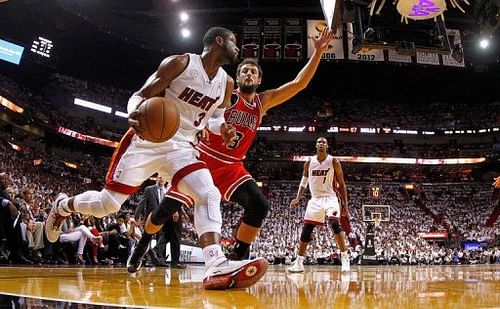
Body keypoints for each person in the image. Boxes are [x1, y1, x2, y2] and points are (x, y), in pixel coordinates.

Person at [45, 26, 268, 290]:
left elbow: (216, 117)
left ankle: (215, 264)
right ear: (219, 41)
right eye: (234, 42)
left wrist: (224, 128)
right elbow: (141, 95)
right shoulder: (181, 63)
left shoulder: (226, 83)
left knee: (208, 192)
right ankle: (63, 206)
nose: (238, 48)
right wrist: (134, 112)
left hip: (183, 147)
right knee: (109, 205)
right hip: (147, 142)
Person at [130, 28, 335, 267]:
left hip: (231, 167)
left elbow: (298, 84)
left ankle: (238, 254)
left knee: (259, 205)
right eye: (244, 71)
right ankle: (143, 242)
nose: (249, 73)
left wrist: (318, 52)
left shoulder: (262, 102)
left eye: (253, 72)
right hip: (201, 160)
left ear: (259, 80)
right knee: (163, 213)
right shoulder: (223, 92)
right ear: (237, 78)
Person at [287, 137, 350, 273]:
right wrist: (298, 197)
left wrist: (345, 206)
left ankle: (345, 256)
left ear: (327, 146)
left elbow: (342, 184)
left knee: (334, 224)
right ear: (316, 145)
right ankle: (299, 262)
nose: (321, 144)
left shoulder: (334, 161)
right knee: (306, 230)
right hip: (315, 199)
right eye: (319, 142)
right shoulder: (309, 162)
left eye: (324, 142)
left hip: (330, 198)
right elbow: (303, 182)